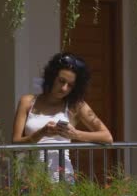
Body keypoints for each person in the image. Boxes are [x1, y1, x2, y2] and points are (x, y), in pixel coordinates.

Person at [12, 52, 113, 181]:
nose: (64, 88)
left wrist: (75, 134)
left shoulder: (76, 105)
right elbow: (15, 143)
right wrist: (41, 133)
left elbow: (107, 137)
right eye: (61, 81)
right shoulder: (27, 101)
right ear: (52, 77)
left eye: (70, 85)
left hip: (61, 178)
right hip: (30, 178)